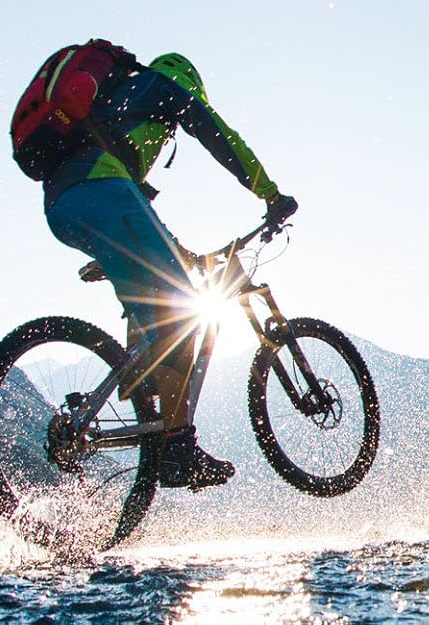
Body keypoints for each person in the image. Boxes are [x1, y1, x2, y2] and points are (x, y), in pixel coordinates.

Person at [39, 49, 297, 490]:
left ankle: (146, 393)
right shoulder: (162, 90)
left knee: (155, 297)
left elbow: (142, 219)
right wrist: (271, 195)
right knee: (181, 313)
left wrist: (186, 255)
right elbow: (221, 136)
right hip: (100, 194)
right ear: (186, 84)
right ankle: (178, 447)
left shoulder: (116, 115)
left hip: (64, 205)